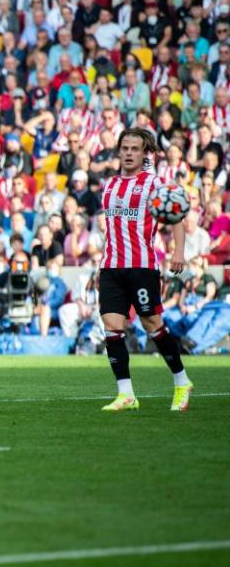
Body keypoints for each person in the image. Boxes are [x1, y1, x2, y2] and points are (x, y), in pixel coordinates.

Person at [98, 129, 192, 413]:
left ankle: (181, 381)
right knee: (112, 327)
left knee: (152, 324)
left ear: (144, 153)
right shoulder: (110, 184)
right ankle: (125, 394)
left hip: (141, 266)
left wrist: (177, 251)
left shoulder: (155, 183)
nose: (128, 153)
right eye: (124, 148)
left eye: (134, 149)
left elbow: (176, 213)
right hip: (111, 266)